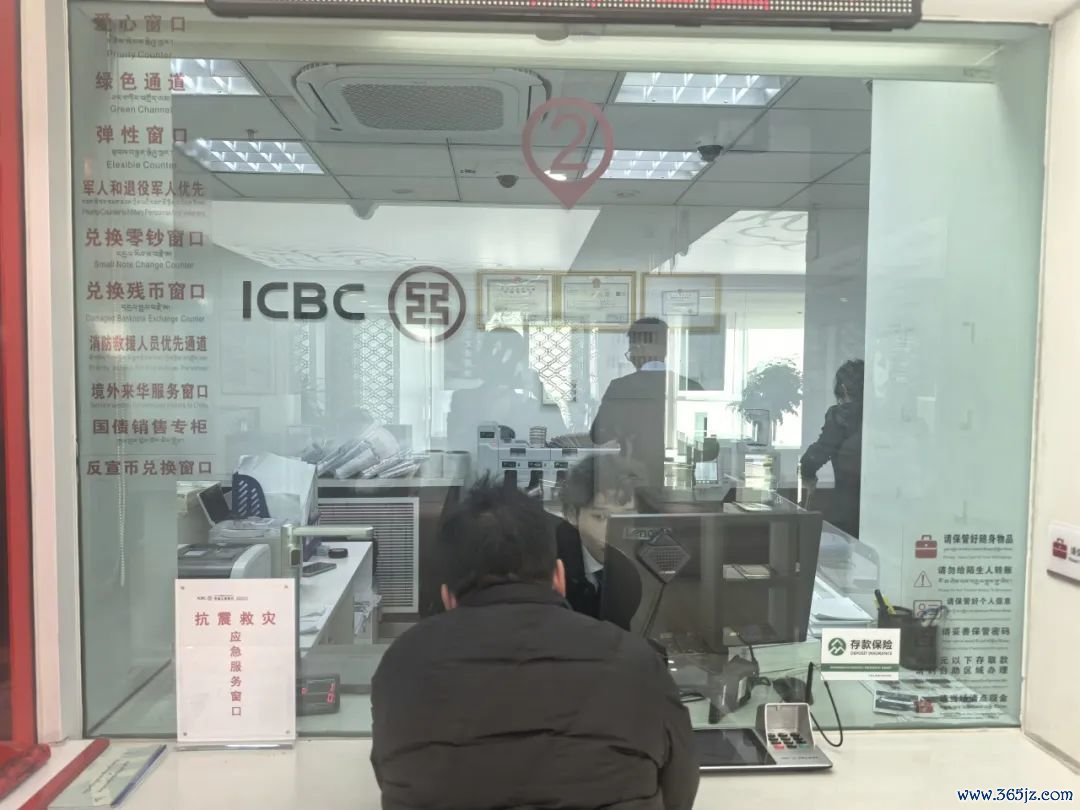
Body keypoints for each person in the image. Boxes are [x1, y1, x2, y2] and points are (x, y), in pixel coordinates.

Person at [371, 479, 699, 810]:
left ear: (448, 598)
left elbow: (390, 774)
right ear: (559, 578)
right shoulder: (637, 663)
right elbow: (679, 789)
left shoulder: (403, 664)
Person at [591, 318, 702, 486]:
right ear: (665, 350)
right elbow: (710, 450)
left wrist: (620, 428)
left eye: (631, 351)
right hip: (680, 483)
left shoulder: (620, 387)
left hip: (635, 483)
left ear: (638, 350)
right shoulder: (691, 387)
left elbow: (598, 435)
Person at [447, 327, 567, 452]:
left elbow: (562, 447)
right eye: (493, 351)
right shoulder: (463, 399)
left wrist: (540, 393)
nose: (502, 360)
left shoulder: (532, 407)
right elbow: (457, 447)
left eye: (511, 355)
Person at [554, 454, 644, 618]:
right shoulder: (548, 565)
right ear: (572, 514)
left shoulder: (638, 565)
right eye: (601, 517)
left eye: (625, 517)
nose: (614, 531)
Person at [801, 359, 864, 538]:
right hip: (885, 510)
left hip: (848, 511)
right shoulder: (882, 415)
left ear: (843, 389)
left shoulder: (841, 416)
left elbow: (817, 455)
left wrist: (807, 474)